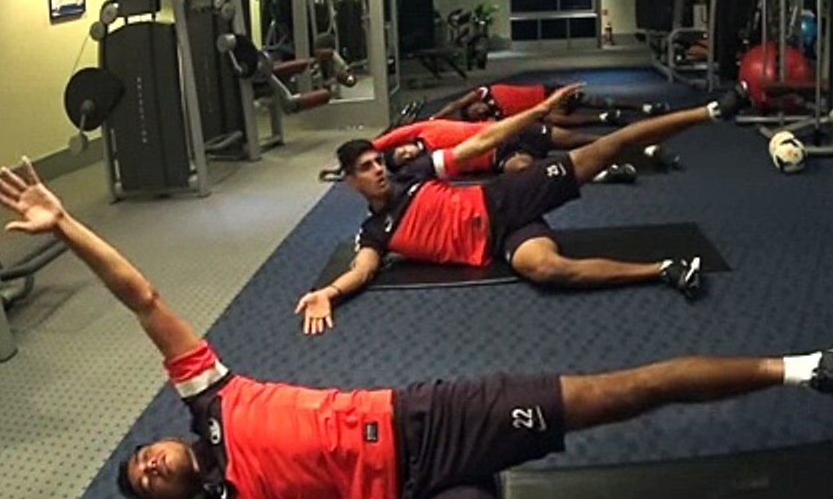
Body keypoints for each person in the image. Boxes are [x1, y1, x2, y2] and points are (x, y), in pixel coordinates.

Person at [0, 157, 833, 499]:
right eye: (144, 484)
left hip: (430, 421)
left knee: (628, 390)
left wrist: (67, 227)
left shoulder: (208, 397)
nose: (146, 463)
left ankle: (812, 366)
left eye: (141, 456)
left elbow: (142, 298)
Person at [296, 84, 748, 335]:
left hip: (505, 197)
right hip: (499, 242)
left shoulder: (414, 173)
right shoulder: (374, 232)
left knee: (606, 148)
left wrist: (540, 110)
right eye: (366, 168)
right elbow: (363, 271)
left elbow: (479, 142)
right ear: (351, 181)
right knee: (547, 270)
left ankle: (708, 111)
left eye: (377, 162)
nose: (377, 170)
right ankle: (665, 269)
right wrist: (329, 294)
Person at [368, 118, 650, 183]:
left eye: (400, 151)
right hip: (499, 156)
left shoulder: (421, 130)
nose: (404, 155)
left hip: (505, 130)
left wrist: (353, 158)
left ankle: (635, 146)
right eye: (401, 160)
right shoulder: (431, 164)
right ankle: (604, 172)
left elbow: (382, 141)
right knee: (527, 171)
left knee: (572, 138)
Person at [430, 82, 671, 127]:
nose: (478, 110)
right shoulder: (497, 119)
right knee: (555, 120)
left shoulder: (486, 92)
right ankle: (605, 119)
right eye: (475, 114)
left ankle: (645, 107)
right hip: (546, 109)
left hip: (551, 91)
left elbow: (456, 103)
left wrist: (435, 118)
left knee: (599, 101)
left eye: (474, 108)